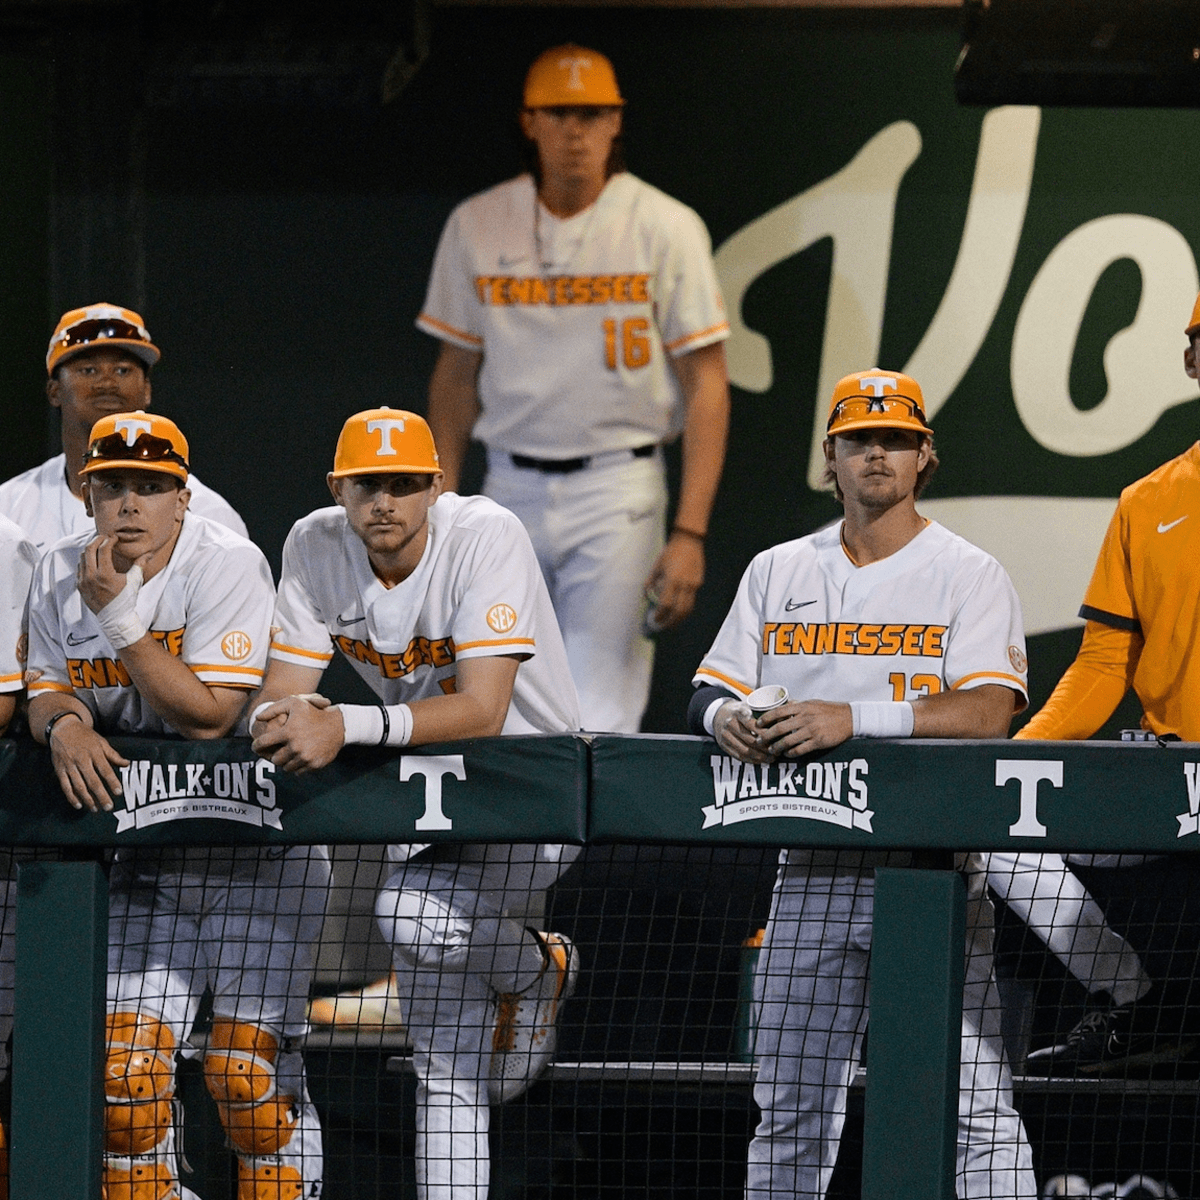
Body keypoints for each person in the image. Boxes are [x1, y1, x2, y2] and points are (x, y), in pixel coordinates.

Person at [688, 369, 1037, 1199]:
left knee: (976, 1108)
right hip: (807, 872)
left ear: (926, 458)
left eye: (898, 439)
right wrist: (720, 721)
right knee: (791, 1112)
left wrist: (855, 716)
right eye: (860, 439)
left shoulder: (968, 570)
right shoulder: (777, 568)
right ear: (831, 459)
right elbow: (710, 685)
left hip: (933, 873)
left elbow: (991, 710)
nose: (878, 452)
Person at [249, 407, 582, 1200]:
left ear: (437, 486)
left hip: (527, 786)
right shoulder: (313, 544)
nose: (385, 503)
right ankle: (532, 967)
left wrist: (346, 724)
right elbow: (281, 695)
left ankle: (534, 970)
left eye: (405, 485)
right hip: (421, 793)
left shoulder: (486, 533)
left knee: (406, 911)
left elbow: (485, 709)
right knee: (447, 1068)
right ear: (339, 489)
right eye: (368, 485)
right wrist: (282, 720)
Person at [25, 411, 326, 1200]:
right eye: (114, 485)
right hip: (147, 863)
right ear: (86, 494)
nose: (131, 503)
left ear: (182, 498)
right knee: (122, 1077)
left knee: (242, 1078)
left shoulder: (226, 564)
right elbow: (46, 685)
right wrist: (58, 723)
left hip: (255, 859)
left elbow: (208, 715)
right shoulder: (54, 567)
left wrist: (119, 619)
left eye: (151, 487)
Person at [419, 43, 730, 734]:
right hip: (507, 485)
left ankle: (568, 849)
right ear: (529, 122)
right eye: (559, 114)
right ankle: (513, 850)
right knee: (500, 698)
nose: (575, 130)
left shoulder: (665, 225)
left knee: (600, 710)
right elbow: (454, 376)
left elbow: (708, 383)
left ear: (617, 121)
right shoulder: (477, 223)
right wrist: (440, 503)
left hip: (617, 488)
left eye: (592, 113)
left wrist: (690, 532)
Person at [1009, 291, 1200, 1075]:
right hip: (1173, 773)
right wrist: (1005, 765)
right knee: (1002, 849)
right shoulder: (1145, 502)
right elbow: (1100, 667)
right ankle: (1133, 999)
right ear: (1190, 359)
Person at [0, 303, 246, 550]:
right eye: (89, 369)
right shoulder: (8, 508)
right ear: (54, 391)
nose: (107, 382)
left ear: (147, 389)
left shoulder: (211, 516)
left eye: (122, 370)